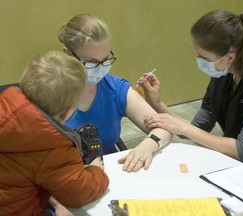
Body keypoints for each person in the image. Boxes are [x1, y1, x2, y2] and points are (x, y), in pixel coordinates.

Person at [140, 10, 243, 178]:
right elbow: (198, 128)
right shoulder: (223, 76)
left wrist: (182, 127)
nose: (199, 61)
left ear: (230, 56)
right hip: (237, 167)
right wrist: (157, 104)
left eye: (204, 57)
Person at [58, 14, 172, 173]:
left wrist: (148, 145)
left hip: (108, 177)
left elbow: (164, 128)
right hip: (62, 181)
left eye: (105, 60)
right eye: (90, 62)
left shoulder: (115, 88)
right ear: (68, 54)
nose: (100, 68)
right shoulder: (49, 93)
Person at [0, 51, 109, 215]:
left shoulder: (5, 107)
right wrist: (96, 171)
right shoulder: (53, 145)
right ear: (66, 113)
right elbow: (78, 194)